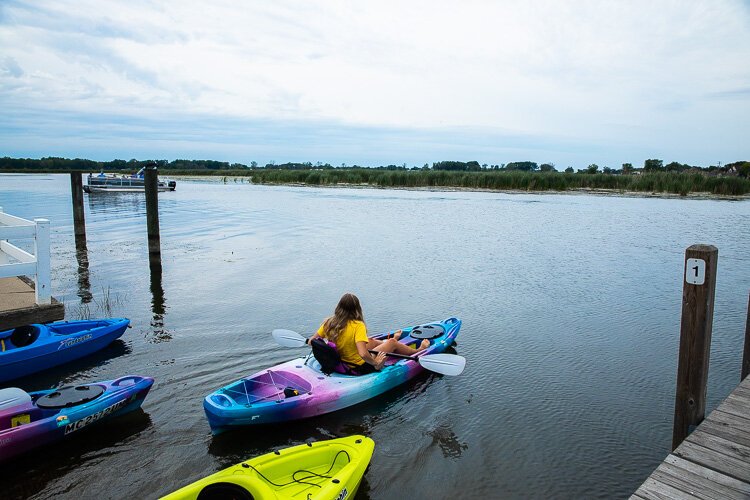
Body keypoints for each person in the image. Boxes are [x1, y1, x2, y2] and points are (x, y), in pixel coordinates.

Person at [310, 293, 430, 375]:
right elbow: (362, 354)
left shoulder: (329, 322)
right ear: (357, 309)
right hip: (358, 367)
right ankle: (417, 350)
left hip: (342, 361)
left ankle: (389, 344)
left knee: (370, 340)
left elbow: (312, 341)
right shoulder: (357, 325)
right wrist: (376, 363)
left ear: (339, 307)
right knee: (392, 342)